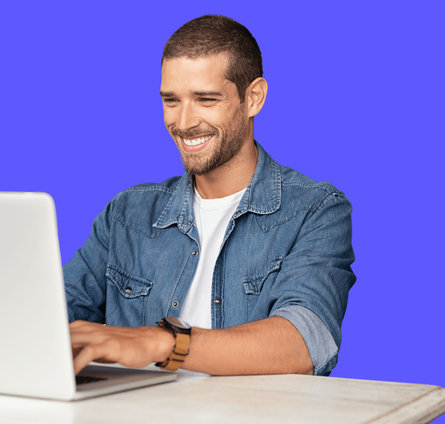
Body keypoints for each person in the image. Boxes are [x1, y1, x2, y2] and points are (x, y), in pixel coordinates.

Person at [65, 15, 356, 377]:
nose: (184, 122)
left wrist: (162, 343)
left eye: (205, 99)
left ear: (253, 98)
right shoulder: (126, 214)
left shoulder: (314, 210)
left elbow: (303, 343)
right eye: (171, 100)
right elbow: (47, 318)